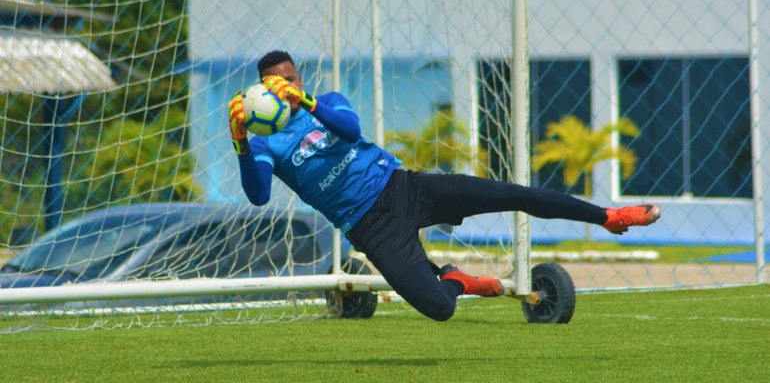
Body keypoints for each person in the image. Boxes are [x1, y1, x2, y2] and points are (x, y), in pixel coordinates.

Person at [228, 50, 661, 321]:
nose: (283, 89)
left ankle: (607, 215)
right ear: (262, 90)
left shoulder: (326, 103)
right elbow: (259, 194)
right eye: (273, 84)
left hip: (403, 187)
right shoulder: (265, 139)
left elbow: (351, 127)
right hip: (370, 228)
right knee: (440, 308)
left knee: (511, 193)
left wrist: (305, 102)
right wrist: (241, 142)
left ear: (298, 79)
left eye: (290, 80)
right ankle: (454, 278)